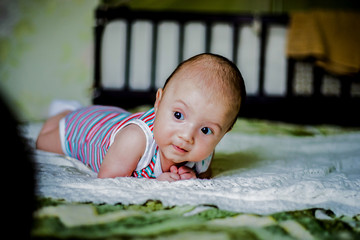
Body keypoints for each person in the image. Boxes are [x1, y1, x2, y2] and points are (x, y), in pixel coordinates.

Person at [36, 53, 246, 181]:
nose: (187, 136)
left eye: (205, 130)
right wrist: (157, 182)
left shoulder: (204, 153)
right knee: (42, 142)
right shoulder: (136, 140)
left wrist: (192, 177)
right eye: (178, 115)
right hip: (84, 129)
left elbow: (204, 175)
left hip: (116, 119)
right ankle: (64, 112)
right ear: (159, 101)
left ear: (223, 133)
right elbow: (108, 179)